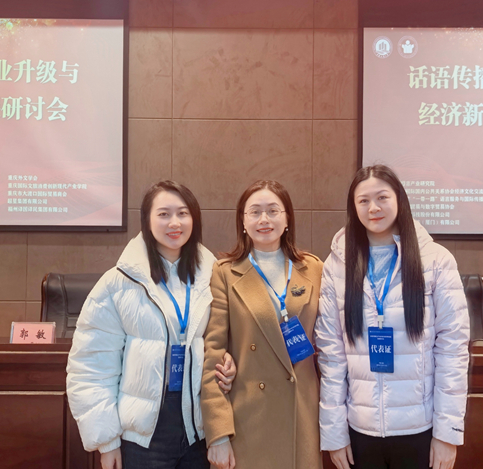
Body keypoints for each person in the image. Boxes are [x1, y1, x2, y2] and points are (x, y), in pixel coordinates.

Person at [67, 181, 236, 469]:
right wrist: (107, 442)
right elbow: (91, 366)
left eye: (183, 213)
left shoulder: (214, 276)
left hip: (199, 430)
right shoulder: (119, 282)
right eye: (163, 214)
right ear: (146, 220)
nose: (174, 223)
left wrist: (229, 361)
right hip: (143, 438)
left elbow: (222, 340)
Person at [315, 165, 469, 469]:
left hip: (420, 430)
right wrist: (334, 434)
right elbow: (331, 354)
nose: (373, 208)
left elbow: (452, 351)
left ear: (399, 199)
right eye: (363, 200)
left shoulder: (436, 261)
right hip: (360, 430)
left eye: (382, 197)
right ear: (353, 207)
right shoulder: (338, 265)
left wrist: (447, 434)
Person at [202, 180, 324, 469]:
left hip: (302, 416)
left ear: (287, 218)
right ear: (243, 222)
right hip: (247, 420)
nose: (264, 219)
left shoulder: (314, 268)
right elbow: (213, 354)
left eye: (273, 210)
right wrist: (218, 433)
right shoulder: (225, 273)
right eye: (255, 212)